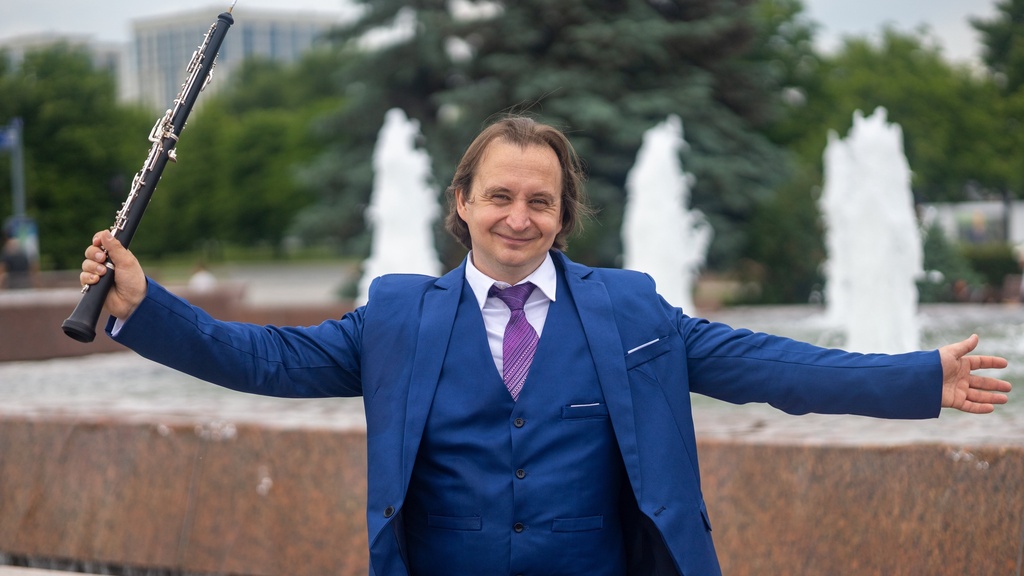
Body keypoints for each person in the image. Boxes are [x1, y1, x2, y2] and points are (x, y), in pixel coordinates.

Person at [79, 116, 1011, 576]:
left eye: (540, 200)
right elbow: (264, 361)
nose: (517, 217)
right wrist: (145, 305)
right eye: (499, 196)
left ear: (564, 215)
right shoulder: (398, 315)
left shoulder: (631, 311)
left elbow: (769, 366)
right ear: (461, 203)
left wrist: (917, 376)